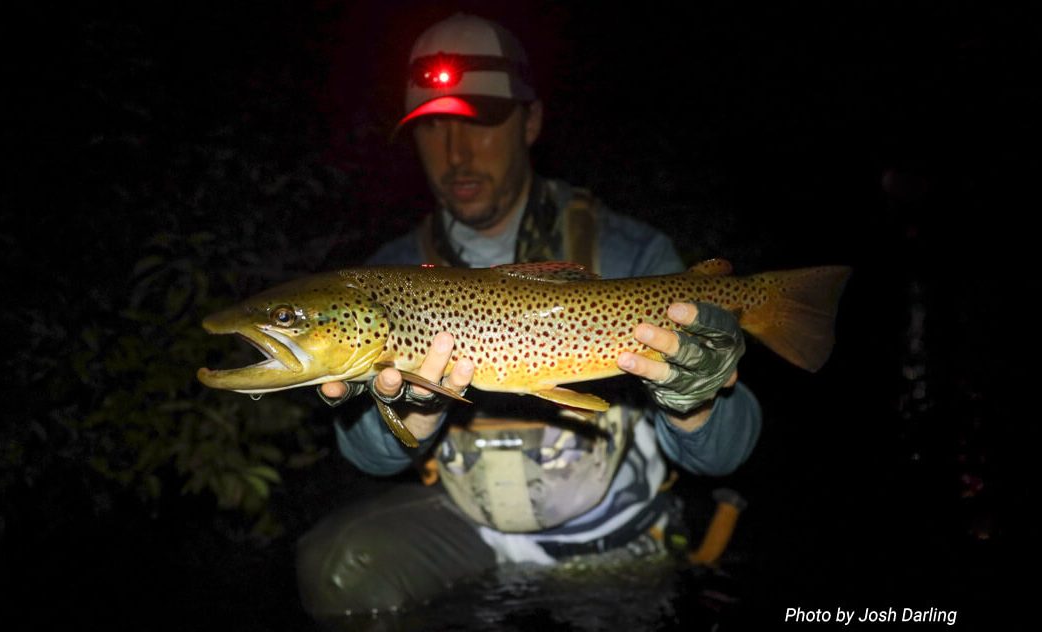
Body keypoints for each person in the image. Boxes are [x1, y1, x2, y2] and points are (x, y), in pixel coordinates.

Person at [296, 13, 761, 620]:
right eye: (433, 128)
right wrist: (406, 414)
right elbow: (368, 458)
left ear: (532, 121)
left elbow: (726, 455)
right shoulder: (388, 277)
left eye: (481, 123)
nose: (455, 152)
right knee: (334, 569)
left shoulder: (631, 256)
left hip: (619, 536)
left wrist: (695, 400)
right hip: (473, 528)